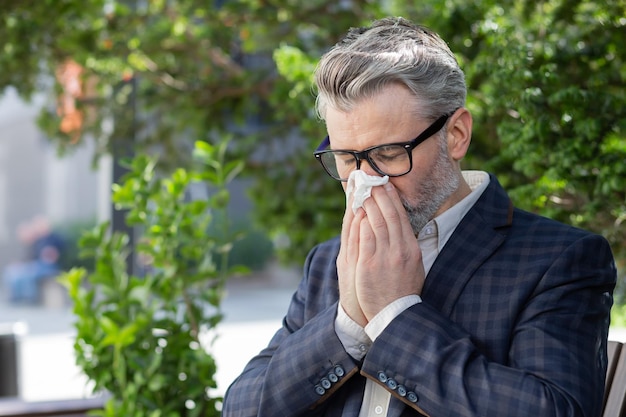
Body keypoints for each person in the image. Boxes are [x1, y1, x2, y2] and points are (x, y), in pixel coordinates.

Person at [222, 17, 616, 417]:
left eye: (389, 154)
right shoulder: (330, 261)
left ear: (457, 134)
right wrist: (347, 325)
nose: (365, 182)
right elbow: (241, 407)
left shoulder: (558, 260)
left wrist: (394, 315)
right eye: (346, 158)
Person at [3, 216, 65, 304]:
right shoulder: (38, 241)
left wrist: (53, 253)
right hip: (37, 265)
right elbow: (32, 256)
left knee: (29, 273)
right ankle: (17, 297)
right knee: (14, 272)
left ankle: (29, 298)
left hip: (49, 266)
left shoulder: (54, 238)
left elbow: (59, 249)